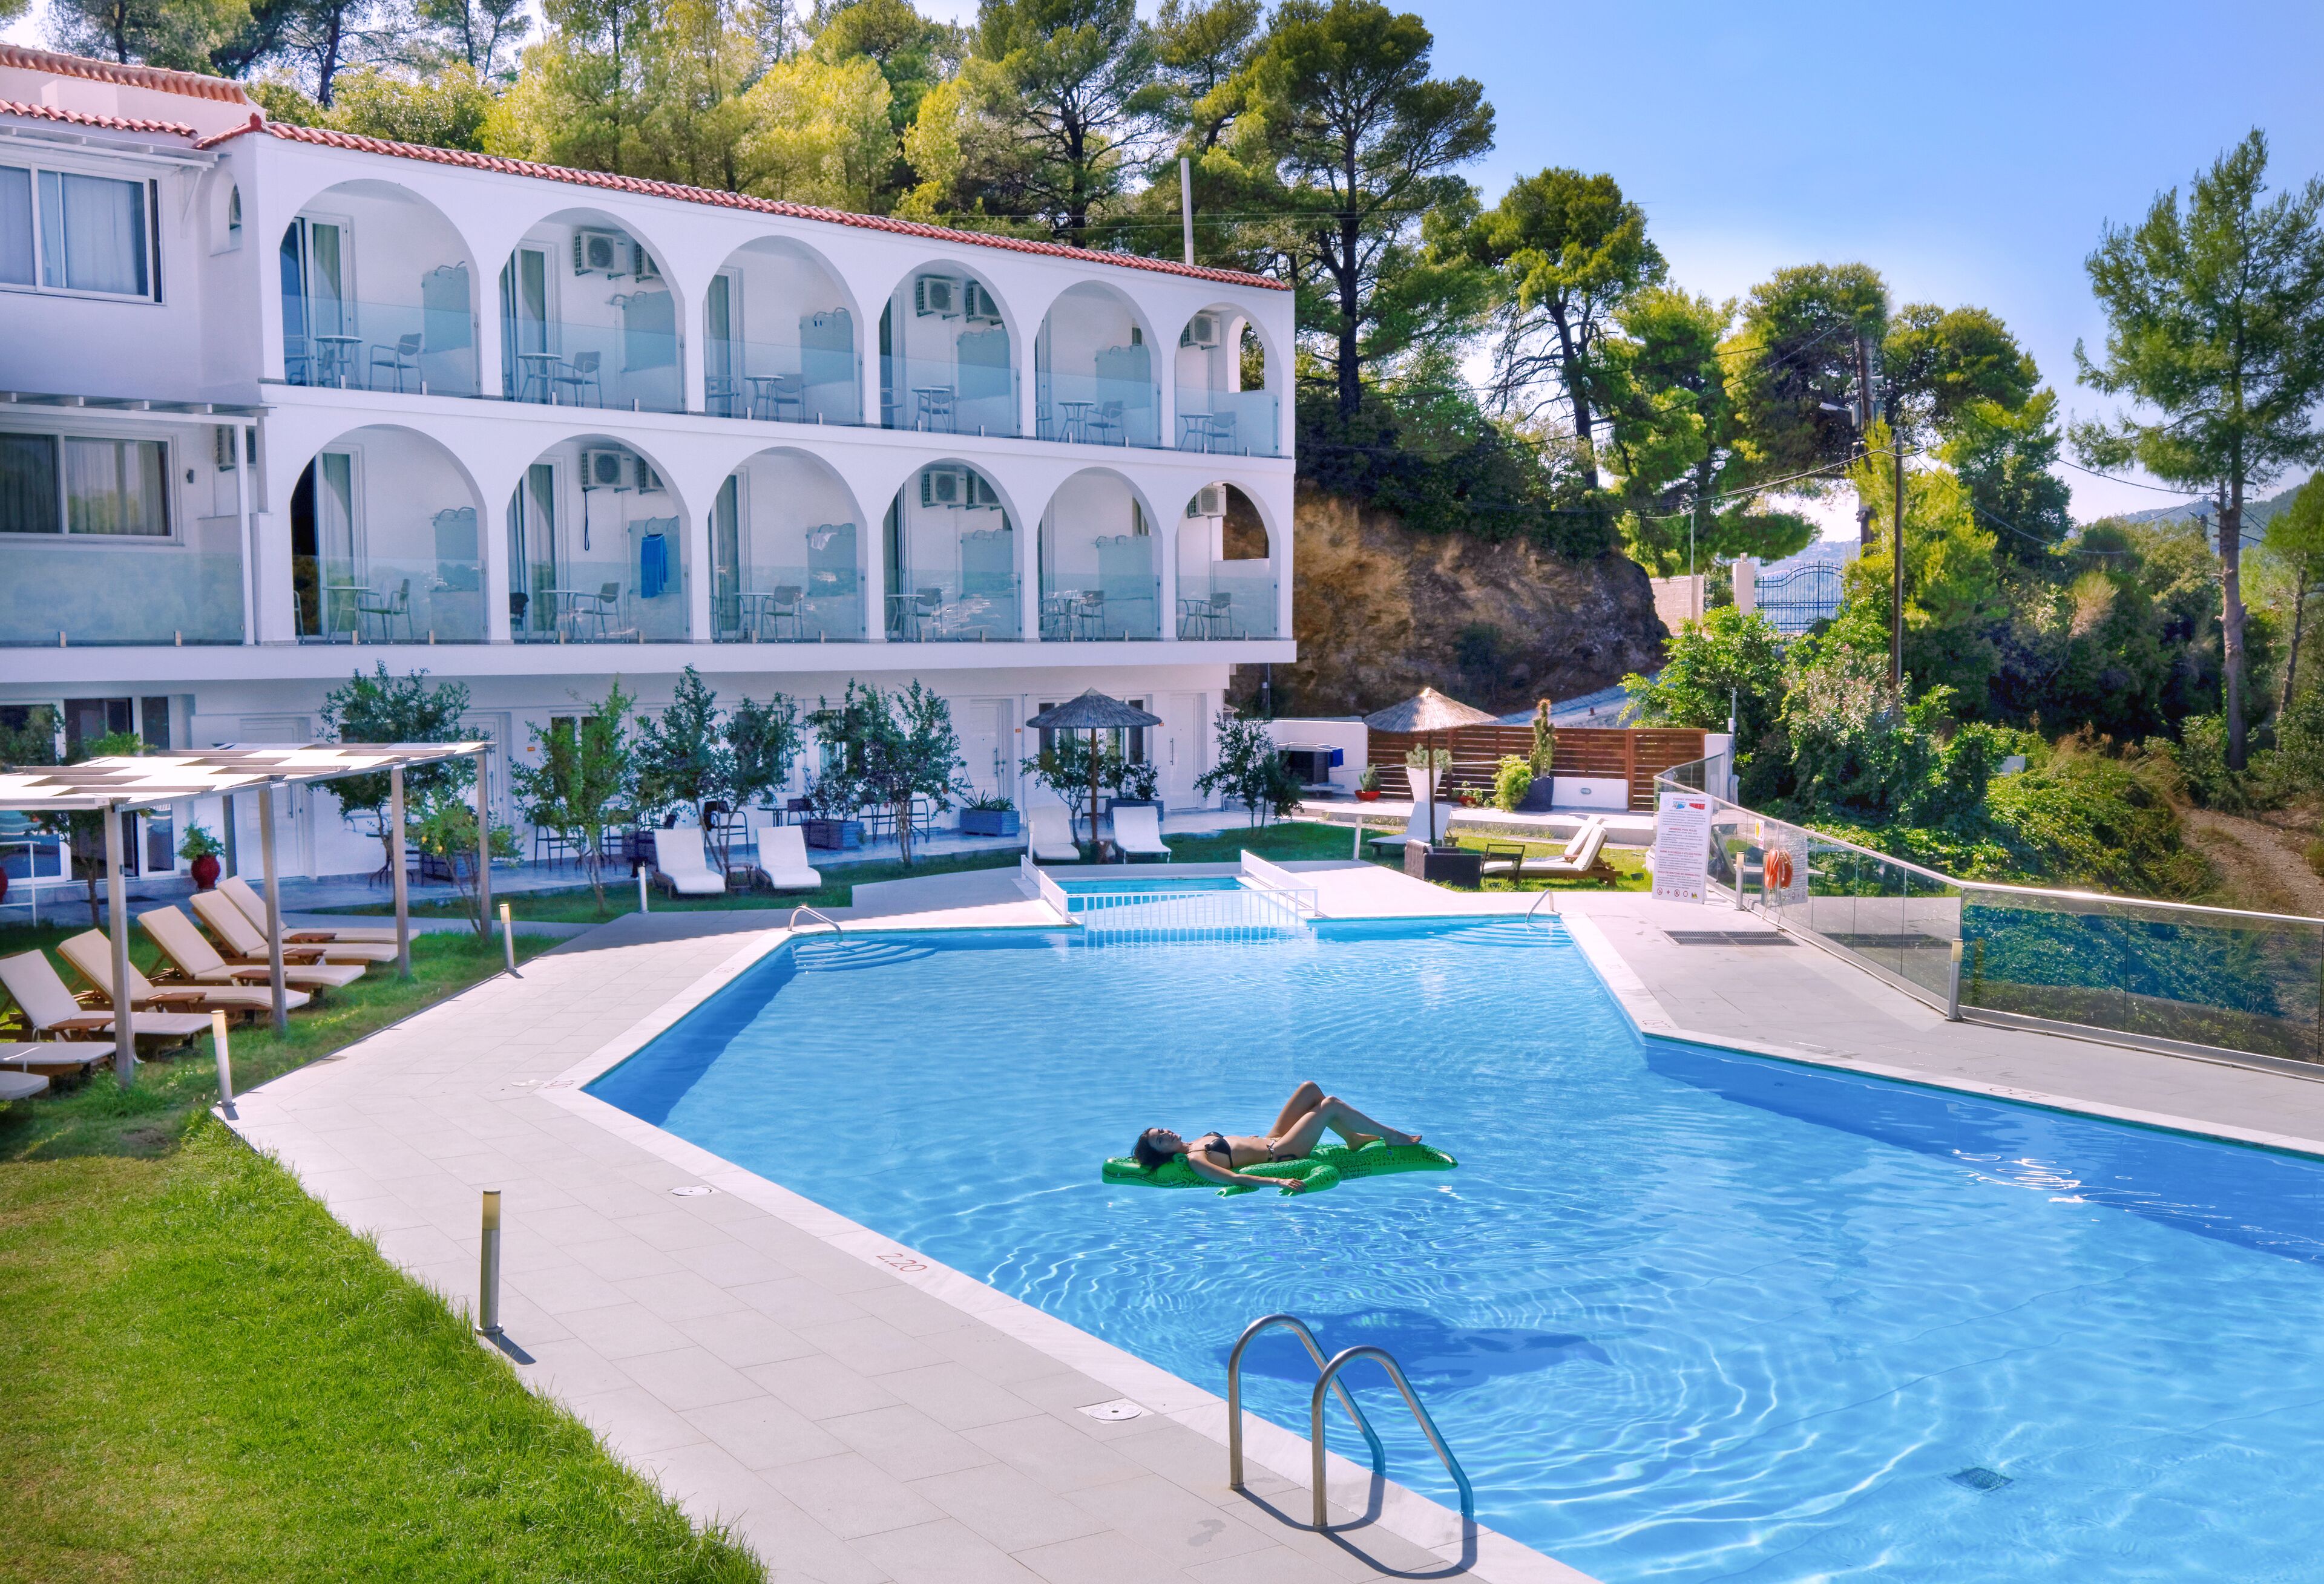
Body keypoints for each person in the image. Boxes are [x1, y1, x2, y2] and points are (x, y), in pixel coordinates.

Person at [1130, 1081, 1421, 1194]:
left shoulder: (1195, 1142)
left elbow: (1237, 1148)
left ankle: (1353, 1138)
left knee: (1310, 1089)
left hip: (1272, 1138)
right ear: (1163, 1153)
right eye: (1160, 1140)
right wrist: (1277, 1180)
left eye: (1162, 1130)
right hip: (1282, 1151)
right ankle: (1391, 1135)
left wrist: (1249, 1140)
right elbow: (1234, 1179)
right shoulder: (1195, 1159)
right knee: (1329, 1104)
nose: (1166, 1133)